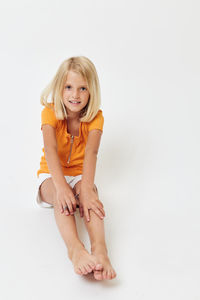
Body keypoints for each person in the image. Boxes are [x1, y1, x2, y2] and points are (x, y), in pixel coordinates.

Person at [36, 56, 116, 281]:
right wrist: (61, 188)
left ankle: (100, 250)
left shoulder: (95, 118)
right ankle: (75, 249)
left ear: (91, 92)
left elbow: (91, 153)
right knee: (63, 198)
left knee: (91, 197)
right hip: (51, 175)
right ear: (59, 87)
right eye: (69, 87)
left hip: (80, 173)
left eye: (83, 88)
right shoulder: (49, 112)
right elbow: (50, 150)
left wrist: (88, 190)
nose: (75, 95)